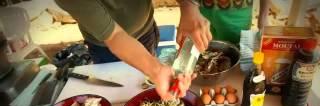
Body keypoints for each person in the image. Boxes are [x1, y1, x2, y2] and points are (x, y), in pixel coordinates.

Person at [55, 0, 212, 100]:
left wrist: (188, 5)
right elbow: (114, 35)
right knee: (120, 93)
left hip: (146, 29)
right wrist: (157, 70)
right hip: (105, 46)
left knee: (143, 84)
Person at [178, 0, 269, 45]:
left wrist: (264, 15)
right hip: (199, 10)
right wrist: (187, 5)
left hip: (238, 14)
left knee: (237, 50)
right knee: (202, 45)